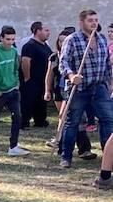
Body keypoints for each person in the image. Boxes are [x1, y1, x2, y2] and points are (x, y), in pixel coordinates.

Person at [56, 9, 113, 169]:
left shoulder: (101, 39)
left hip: (99, 87)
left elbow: (107, 63)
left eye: (95, 20)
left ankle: (108, 157)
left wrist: (110, 82)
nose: (94, 23)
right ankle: (66, 156)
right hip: (79, 88)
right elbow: (63, 62)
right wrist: (71, 75)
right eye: (90, 20)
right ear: (81, 23)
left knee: (108, 121)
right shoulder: (72, 40)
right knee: (72, 123)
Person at [47, 28, 94, 157]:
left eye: (65, 41)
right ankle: (62, 147)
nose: (63, 44)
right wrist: (47, 90)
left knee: (75, 118)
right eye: (60, 41)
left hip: (74, 89)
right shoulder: (54, 57)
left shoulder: (78, 55)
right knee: (65, 118)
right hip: (60, 90)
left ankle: (83, 149)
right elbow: (49, 75)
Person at [0, 26, 27, 157]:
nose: (10, 42)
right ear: (1, 38)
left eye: (13, 39)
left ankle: (13, 146)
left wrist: (17, 83)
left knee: (17, 117)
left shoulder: (13, 51)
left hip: (13, 90)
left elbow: (15, 69)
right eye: (7, 39)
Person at [20, 21, 52, 128]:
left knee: (41, 102)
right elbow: (25, 61)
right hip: (32, 80)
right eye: (46, 30)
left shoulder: (45, 45)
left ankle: (40, 121)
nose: (49, 33)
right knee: (28, 101)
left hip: (42, 80)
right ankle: (24, 122)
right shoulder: (30, 45)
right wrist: (27, 77)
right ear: (38, 31)